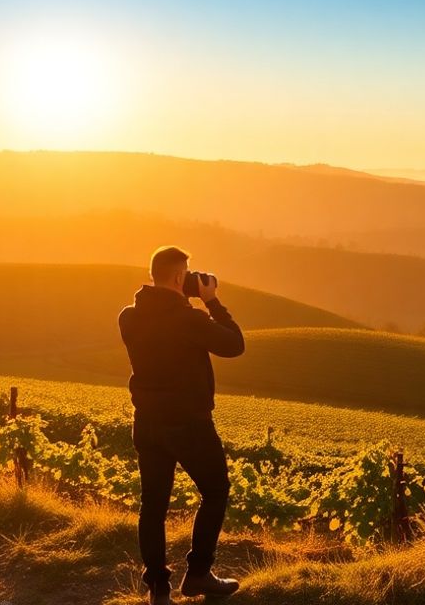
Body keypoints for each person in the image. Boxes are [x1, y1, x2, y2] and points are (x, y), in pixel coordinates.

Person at [118, 246, 245, 604]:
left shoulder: (128, 317)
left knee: (153, 505)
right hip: (189, 424)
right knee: (216, 490)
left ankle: (158, 588)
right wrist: (212, 301)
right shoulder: (188, 320)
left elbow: (157, 317)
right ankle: (199, 574)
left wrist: (186, 300)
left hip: (147, 422)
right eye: (186, 275)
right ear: (178, 277)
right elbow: (235, 344)